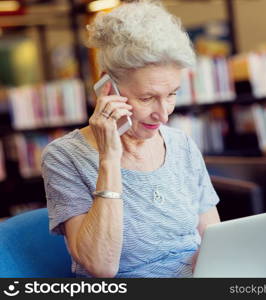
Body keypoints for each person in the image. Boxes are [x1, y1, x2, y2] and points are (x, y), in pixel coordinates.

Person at [41, 0, 220, 278]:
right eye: (147, 98)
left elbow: (213, 240)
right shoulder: (63, 156)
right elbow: (101, 266)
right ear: (107, 89)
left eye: (172, 94)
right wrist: (109, 159)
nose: (163, 114)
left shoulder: (181, 144)